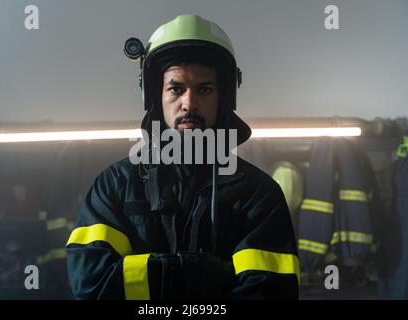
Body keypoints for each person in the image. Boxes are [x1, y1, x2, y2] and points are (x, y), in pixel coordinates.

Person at [65, 14, 299, 300]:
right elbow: (92, 286)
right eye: (176, 89)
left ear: (224, 97)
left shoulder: (258, 195)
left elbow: (271, 294)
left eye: (204, 89)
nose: (189, 103)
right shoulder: (114, 186)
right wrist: (202, 275)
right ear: (155, 96)